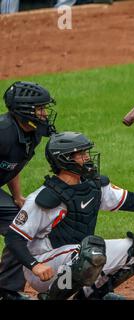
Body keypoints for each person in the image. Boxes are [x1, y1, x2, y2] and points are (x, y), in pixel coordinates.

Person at [4, 131, 134, 300]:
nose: (88, 158)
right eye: (81, 154)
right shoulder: (44, 198)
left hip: (74, 257)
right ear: (65, 159)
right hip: (44, 267)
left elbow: (131, 200)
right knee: (90, 252)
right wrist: (35, 265)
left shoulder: (93, 186)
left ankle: (91, 295)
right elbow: (14, 237)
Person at [0, 81, 57, 300]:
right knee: (19, 227)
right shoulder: (3, 132)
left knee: (20, 227)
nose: (44, 113)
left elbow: (13, 165)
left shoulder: (32, 134)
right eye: (40, 109)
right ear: (24, 110)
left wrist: (17, 197)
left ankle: (6, 290)